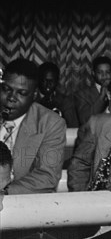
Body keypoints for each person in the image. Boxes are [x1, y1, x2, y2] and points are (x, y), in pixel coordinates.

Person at [0, 58, 66, 194]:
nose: (11, 98)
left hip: (23, 204)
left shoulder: (51, 123)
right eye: (6, 89)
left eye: (21, 93)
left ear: (34, 95)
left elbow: (47, 177)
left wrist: (4, 192)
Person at [72, 56, 111, 127]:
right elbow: (85, 120)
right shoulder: (82, 94)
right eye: (100, 72)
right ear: (93, 73)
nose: (104, 76)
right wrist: (101, 97)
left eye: (107, 72)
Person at [37, 61, 76, 126]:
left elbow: (73, 127)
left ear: (57, 81)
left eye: (51, 81)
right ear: (39, 80)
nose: (48, 85)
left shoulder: (65, 101)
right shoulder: (31, 100)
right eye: (45, 80)